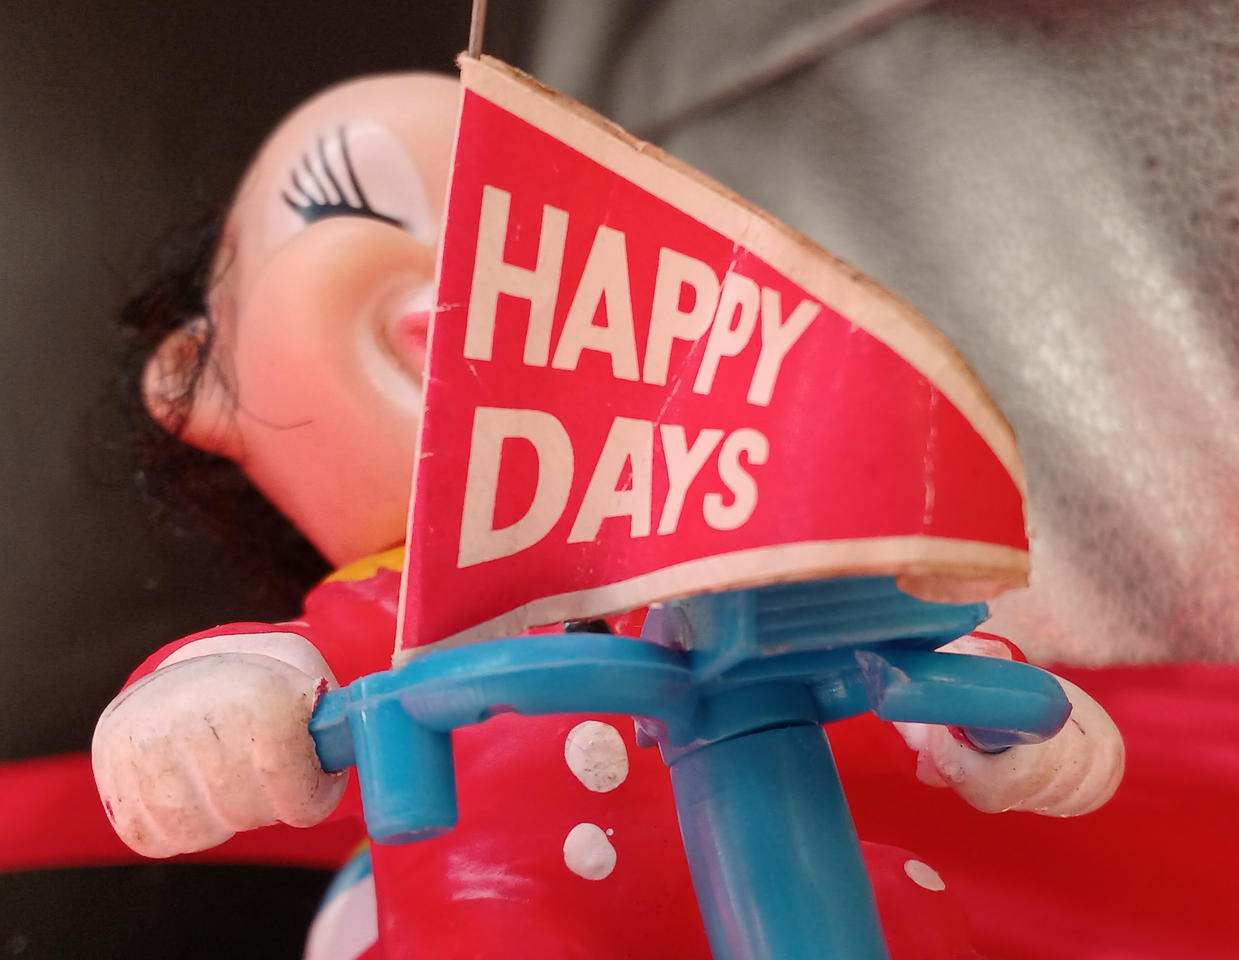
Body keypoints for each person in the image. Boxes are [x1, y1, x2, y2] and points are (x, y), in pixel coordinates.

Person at [90, 70, 1123, 959]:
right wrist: (211, 711)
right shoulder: (390, 614)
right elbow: (271, 669)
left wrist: (995, 711)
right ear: (201, 379)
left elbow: (888, 640)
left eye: (532, 216)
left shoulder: (716, 546)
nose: (475, 261)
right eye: (353, 206)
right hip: (507, 916)